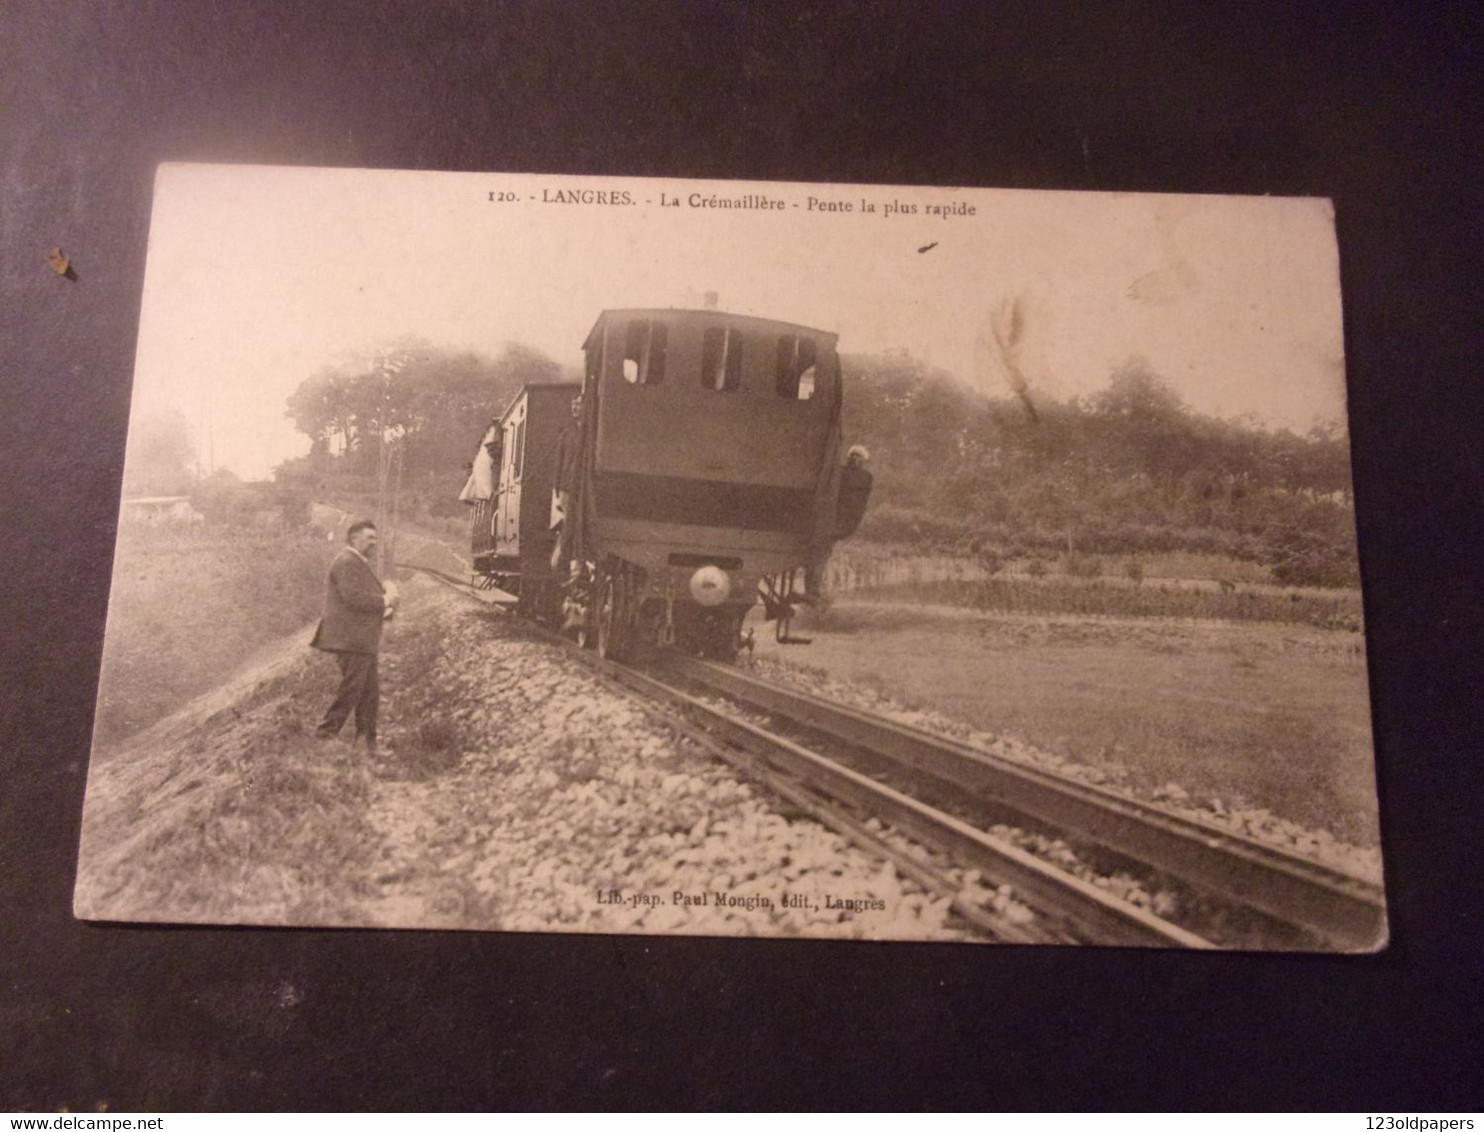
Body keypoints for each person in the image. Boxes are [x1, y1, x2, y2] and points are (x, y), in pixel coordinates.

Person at [311, 520, 398, 749]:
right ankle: (325, 736)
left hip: (359, 639)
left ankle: (366, 743)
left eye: (375, 538)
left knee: (369, 694)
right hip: (351, 640)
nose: (374, 543)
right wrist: (385, 599)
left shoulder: (355, 562)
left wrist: (384, 602)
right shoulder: (347, 562)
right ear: (354, 538)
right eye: (369, 538)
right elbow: (354, 598)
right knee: (352, 690)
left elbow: (360, 596)